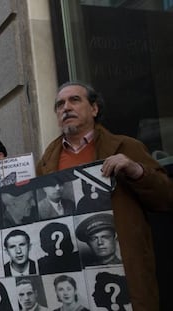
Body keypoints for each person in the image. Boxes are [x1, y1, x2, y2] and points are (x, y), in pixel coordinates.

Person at [36, 81, 173, 310]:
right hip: (75, 276)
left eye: (74, 100)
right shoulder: (45, 162)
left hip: (125, 272)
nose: (66, 107)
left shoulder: (126, 147)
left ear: (94, 109)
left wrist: (136, 171)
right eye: (60, 104)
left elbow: (166, 197)